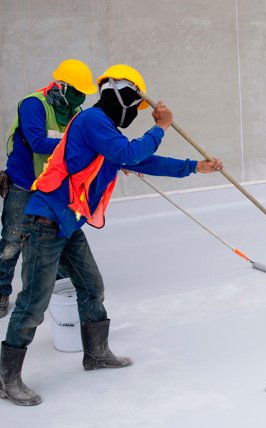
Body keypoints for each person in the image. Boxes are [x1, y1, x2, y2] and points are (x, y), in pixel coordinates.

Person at [0, 64, 223, 406]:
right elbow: (128, 153)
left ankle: (96, 354)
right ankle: (6, 379)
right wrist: (160, 127)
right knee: (33, 302)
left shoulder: (106, 132)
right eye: (135, 104)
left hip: (68, 223)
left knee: (92, 286)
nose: (135, 112)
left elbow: (142, 161)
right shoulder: (92, 121)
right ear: (122, 97)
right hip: (45, 222)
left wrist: (194, 167)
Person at [0, 59, 97, 319]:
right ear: (61, 85)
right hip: (23, 183)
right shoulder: (34, 104)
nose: (79, 96)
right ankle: (1, 292)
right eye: (75, 90)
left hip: (52, 187)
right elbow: (38, 142)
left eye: (82, 92)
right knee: (12, 240)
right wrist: (81, 144)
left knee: (55, 238)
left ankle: (58, 290)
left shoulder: (74, 110)